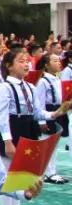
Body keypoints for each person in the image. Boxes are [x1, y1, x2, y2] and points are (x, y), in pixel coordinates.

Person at [0, 49, 66, 205]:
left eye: (27, 61)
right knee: (9, 177)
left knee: (21, 176)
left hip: (27, 129)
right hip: (13, 131)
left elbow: (37, 113)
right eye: (21, 61)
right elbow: (1, 117)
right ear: (9, 66)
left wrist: (55, 113)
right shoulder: (4, 88)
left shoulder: (30, 88)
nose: (26, 64)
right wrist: (7, 141)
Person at [34, 52, 69, 185]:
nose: (58, 63)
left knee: (54, 143)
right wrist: (42, 121)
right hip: (48, 112)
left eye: (59, 60)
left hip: (58, 111)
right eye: (54, 61)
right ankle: (47, 172)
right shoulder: (43, 81)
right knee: (46, 144)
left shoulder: (57, 79)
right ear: (46, 65)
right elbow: (40, 102)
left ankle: (50, 171)